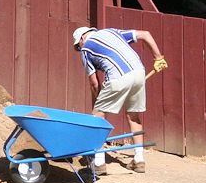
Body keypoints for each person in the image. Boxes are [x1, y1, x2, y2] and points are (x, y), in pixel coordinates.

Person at [72, 26, 167, 174]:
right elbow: (146, 34)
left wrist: (97, 103)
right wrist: (158, 58)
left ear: (82, 39)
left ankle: (98, 163)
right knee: (133, 116)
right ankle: (139, 159)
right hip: (138, 73)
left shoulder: (86, 50)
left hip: (117, 77)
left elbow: (94, 83)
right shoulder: (112, 32)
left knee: (97, 118)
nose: (80, 48)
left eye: (78, 46)